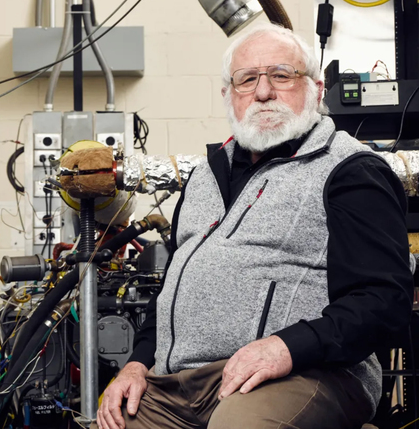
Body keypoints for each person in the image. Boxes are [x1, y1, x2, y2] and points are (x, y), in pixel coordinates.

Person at [97, 22, 412, 429]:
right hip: (180, 385)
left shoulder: (350, 171)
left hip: (307, 373)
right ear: (229, 96)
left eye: (282, 75)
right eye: (247, 79)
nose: (263, 92)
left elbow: (383, 300)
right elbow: (172, 291)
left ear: (316, 89)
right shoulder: (204, 178)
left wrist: (286, 348)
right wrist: (137, 365)